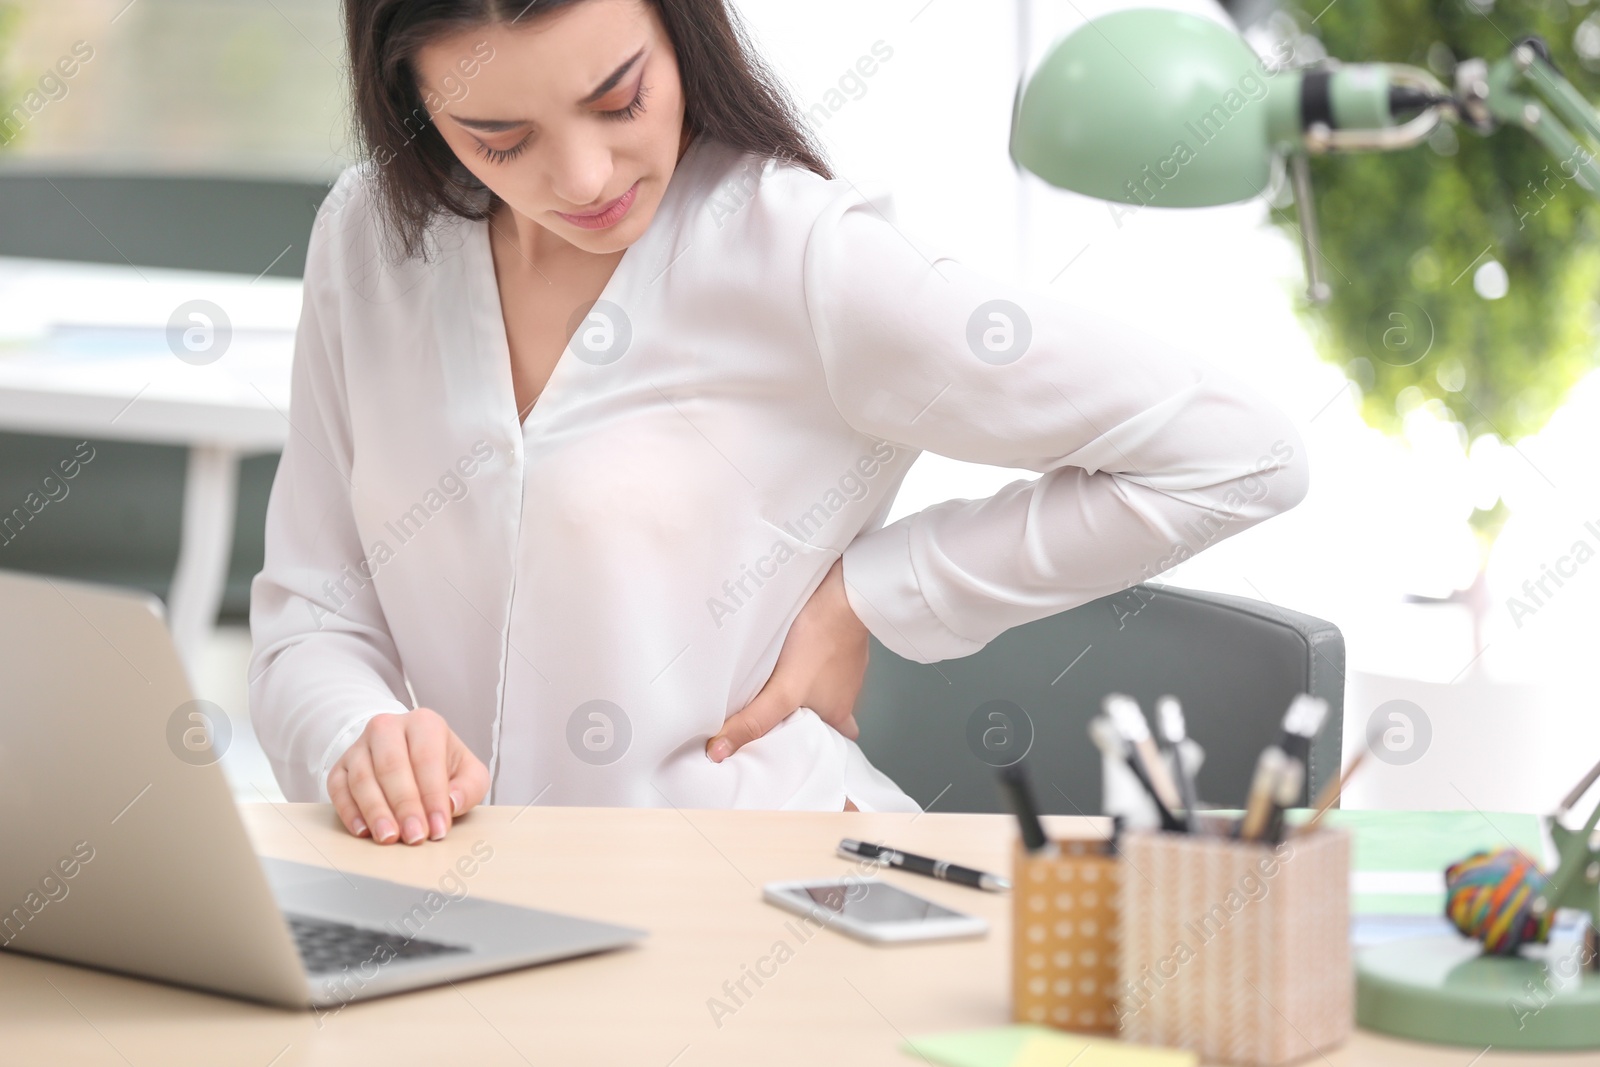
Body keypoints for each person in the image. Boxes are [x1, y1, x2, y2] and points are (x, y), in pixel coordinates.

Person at [248, 0, 1310, 845]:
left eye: (618, 100)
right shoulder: (368, 239)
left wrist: (873, 595)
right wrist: (359, 738)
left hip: (749, 908)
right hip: (459, 916)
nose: (580, 178)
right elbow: (311, 613)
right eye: (499, 136)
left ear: (678, 29)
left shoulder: (802, 257)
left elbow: (1237, 452)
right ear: (410, 100)